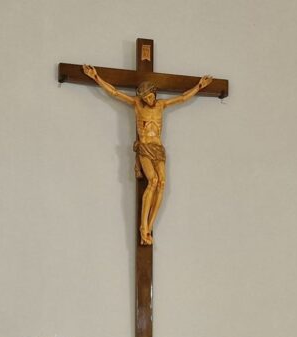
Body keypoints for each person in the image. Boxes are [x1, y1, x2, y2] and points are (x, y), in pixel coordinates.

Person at [82, 65, 213, 246]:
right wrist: (96, 77)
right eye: (145, 98)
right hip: (144, 147)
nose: (148, 100)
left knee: (162, 183)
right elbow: (115, 93)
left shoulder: (161, 105)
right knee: (153, 181)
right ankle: (143, 226)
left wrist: (199, 86)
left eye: (150, 96)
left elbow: (182, 98)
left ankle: (150, 225)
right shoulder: (137, 104)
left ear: (154, 94)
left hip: (158, 148)